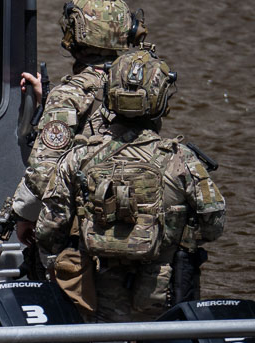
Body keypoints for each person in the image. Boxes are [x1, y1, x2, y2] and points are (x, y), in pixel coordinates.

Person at [34, 48, 224, 321]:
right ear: (161, 100)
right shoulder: (181, 160)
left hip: (94, 298)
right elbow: (214, 225)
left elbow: (49, 229)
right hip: (163, 298)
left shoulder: (80, 157)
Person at [2, 0, 147, 280]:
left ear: (77, 35)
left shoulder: (71, 95)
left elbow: (44, 170)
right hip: (138, 221)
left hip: (83, 232)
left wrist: (23, 217)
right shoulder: (143, 87)